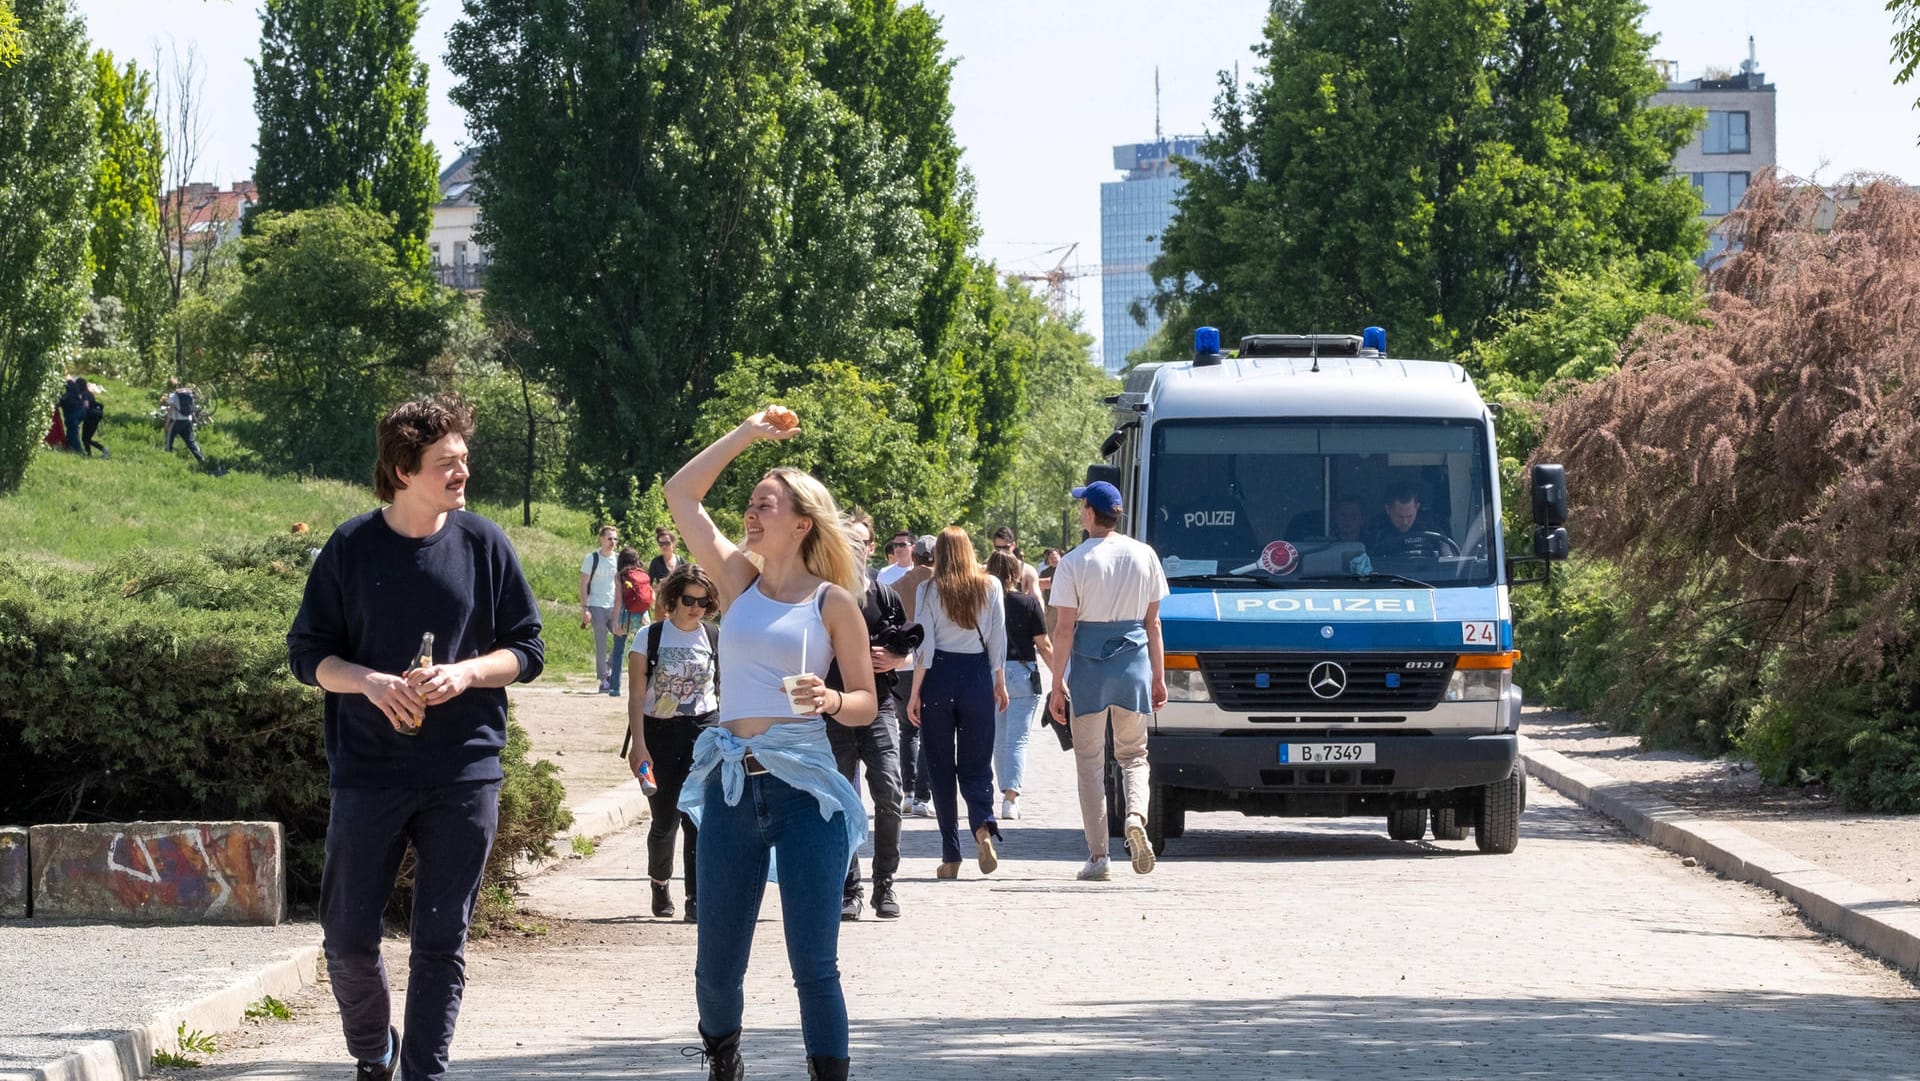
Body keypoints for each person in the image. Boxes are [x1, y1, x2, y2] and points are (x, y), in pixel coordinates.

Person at [286, 397, 544, 1081]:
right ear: (403, 470)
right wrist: (371, 682)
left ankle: (425, 1071)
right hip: (368, 770)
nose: (463, 471)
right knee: (346, 936)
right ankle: (375, 1050)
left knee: (439, 938)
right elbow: (308, 655)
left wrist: (466, 673)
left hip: (465, 769)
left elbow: (528, 647)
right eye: (446, 463)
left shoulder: (485, 543)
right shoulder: (349, 547)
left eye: (464, 458)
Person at [661, 406, 878, 1081]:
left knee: (814, 962)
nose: (751, 513)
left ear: (802, 522)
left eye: (766, 503)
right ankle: (724, 1057)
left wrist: (833, 698)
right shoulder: (738, 581)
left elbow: (865, 701)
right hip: (732, 783)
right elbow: (680, 493)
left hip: (804, 787)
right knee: (716, 966)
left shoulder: (833, 602)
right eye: (750, 503)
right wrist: (749, 432)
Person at [1048, 480, 1169, 881]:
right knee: (1134, 755)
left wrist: (1056, 684)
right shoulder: (1145, 554)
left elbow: (1064, 629)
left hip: (1088, 669)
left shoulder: (1073, 562)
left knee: (1089, 764)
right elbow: (1153, 622)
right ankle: (1135, 815)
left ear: (1088, 513)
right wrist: (1159, 675)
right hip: (1134, 664)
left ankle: (1099, 857)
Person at [906, 526, 1009, 880]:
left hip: (940, 677)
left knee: (939, 766)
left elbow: (926, 645)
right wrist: (999, 680)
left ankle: (951, 856)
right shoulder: (991, 585)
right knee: (977, 762)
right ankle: (982, 826)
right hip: (978, 675)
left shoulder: (929, 590)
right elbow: (998, 637)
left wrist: (915, 692)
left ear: (939, 555)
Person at [626, 564, 722, 924]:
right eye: (688, 599)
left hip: (703, 730)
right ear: (672, 598)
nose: (695, 607)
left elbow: (720, 690)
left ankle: (696, 897)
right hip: (659, 732)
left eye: (703, 600)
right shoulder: (648, 638)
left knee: (697, 818)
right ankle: (659, 881)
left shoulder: (714, 637)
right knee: (665, 820)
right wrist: (639, 746)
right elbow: (637, 697)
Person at [825, 516, 907, 921]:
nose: (855, 550)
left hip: (879, 706)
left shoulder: (885, 595)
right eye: (847, 542)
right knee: (841, 801)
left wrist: (896, 657)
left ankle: (884, 883)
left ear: (872, 547)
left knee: (890, 793)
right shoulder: (821, 593)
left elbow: (907, 647)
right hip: (834, 708)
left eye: (861, 543)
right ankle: (848, 887)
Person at [987, 551, 1053, 821]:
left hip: (991, 672)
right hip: (1022, 671)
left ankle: (1004, 791)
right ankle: (1010, 797)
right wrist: (1060, 676)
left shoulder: (983, 603)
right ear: (1016, 574)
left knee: (998, 739)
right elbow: (1044, 644)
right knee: (1018, 739)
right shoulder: (1028, 603)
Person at [893, 534, 937, 817]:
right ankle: (923, 795)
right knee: (929, 730)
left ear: (915, 555)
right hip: (930, 663)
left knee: (907, 729)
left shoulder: (896, 586)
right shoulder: (940, 585)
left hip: (901, 663)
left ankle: (907, 792)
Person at [579, 525, 621, 693]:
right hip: (596, 604)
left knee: (621, 636)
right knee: (601, 643)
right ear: (601, 539)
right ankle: (603, 680)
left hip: (614, 605)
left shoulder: (618, 559)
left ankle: (609, 668)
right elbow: (583, 583)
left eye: (615, 539)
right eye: (610, 538)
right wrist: (585, 608)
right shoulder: (592, 558)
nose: (613, 542)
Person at [607, 546, 646, 698]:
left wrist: (615, 620)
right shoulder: (643, 573)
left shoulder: (620, 576)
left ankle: (615, 688)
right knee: (643, 651)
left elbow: (618, 600)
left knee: (618, 651)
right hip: (642, 616)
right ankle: (644, 685)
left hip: (625, 615)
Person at [160, 377, 207, 464]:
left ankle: (167, 461)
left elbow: (168, 406)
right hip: (188, 421)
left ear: (170, 386)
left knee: (169, 439)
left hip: (177, 421)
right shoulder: (188, 393)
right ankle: (201, 459)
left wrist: (166, 423)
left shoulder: (173, 395)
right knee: (190, 442)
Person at [990, 526, 1043, 596]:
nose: (1001, 551)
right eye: (998, 548)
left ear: (1013, 545)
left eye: (1005, 547)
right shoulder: (987, 569)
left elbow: (1036, 596)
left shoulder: (1027, 571)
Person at [57, 376, 87, 453]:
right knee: (71, 430)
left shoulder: (66, 391)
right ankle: (69, 447)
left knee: (73, 431)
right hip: (81, 410)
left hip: (73, 412)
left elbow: (62, 400)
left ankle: (79, 450)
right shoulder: (74, 388)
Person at [649, 527, 685, 592]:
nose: (664, 546)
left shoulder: (680, 560)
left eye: (667, 543)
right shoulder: (655, 562)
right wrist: (658, 587)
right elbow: (647, 587)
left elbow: (687, 582)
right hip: (663, 600)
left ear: (673, 543)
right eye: (661, 544)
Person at [78, 382, 108, 458]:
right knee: (86, 438)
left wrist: (79, 420)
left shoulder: (84, 395)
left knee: (85, 438)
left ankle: (102, 450)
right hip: (95, 418)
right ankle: (89, 454)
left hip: (90, 418)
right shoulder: (90, 394)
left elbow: (86, 407)